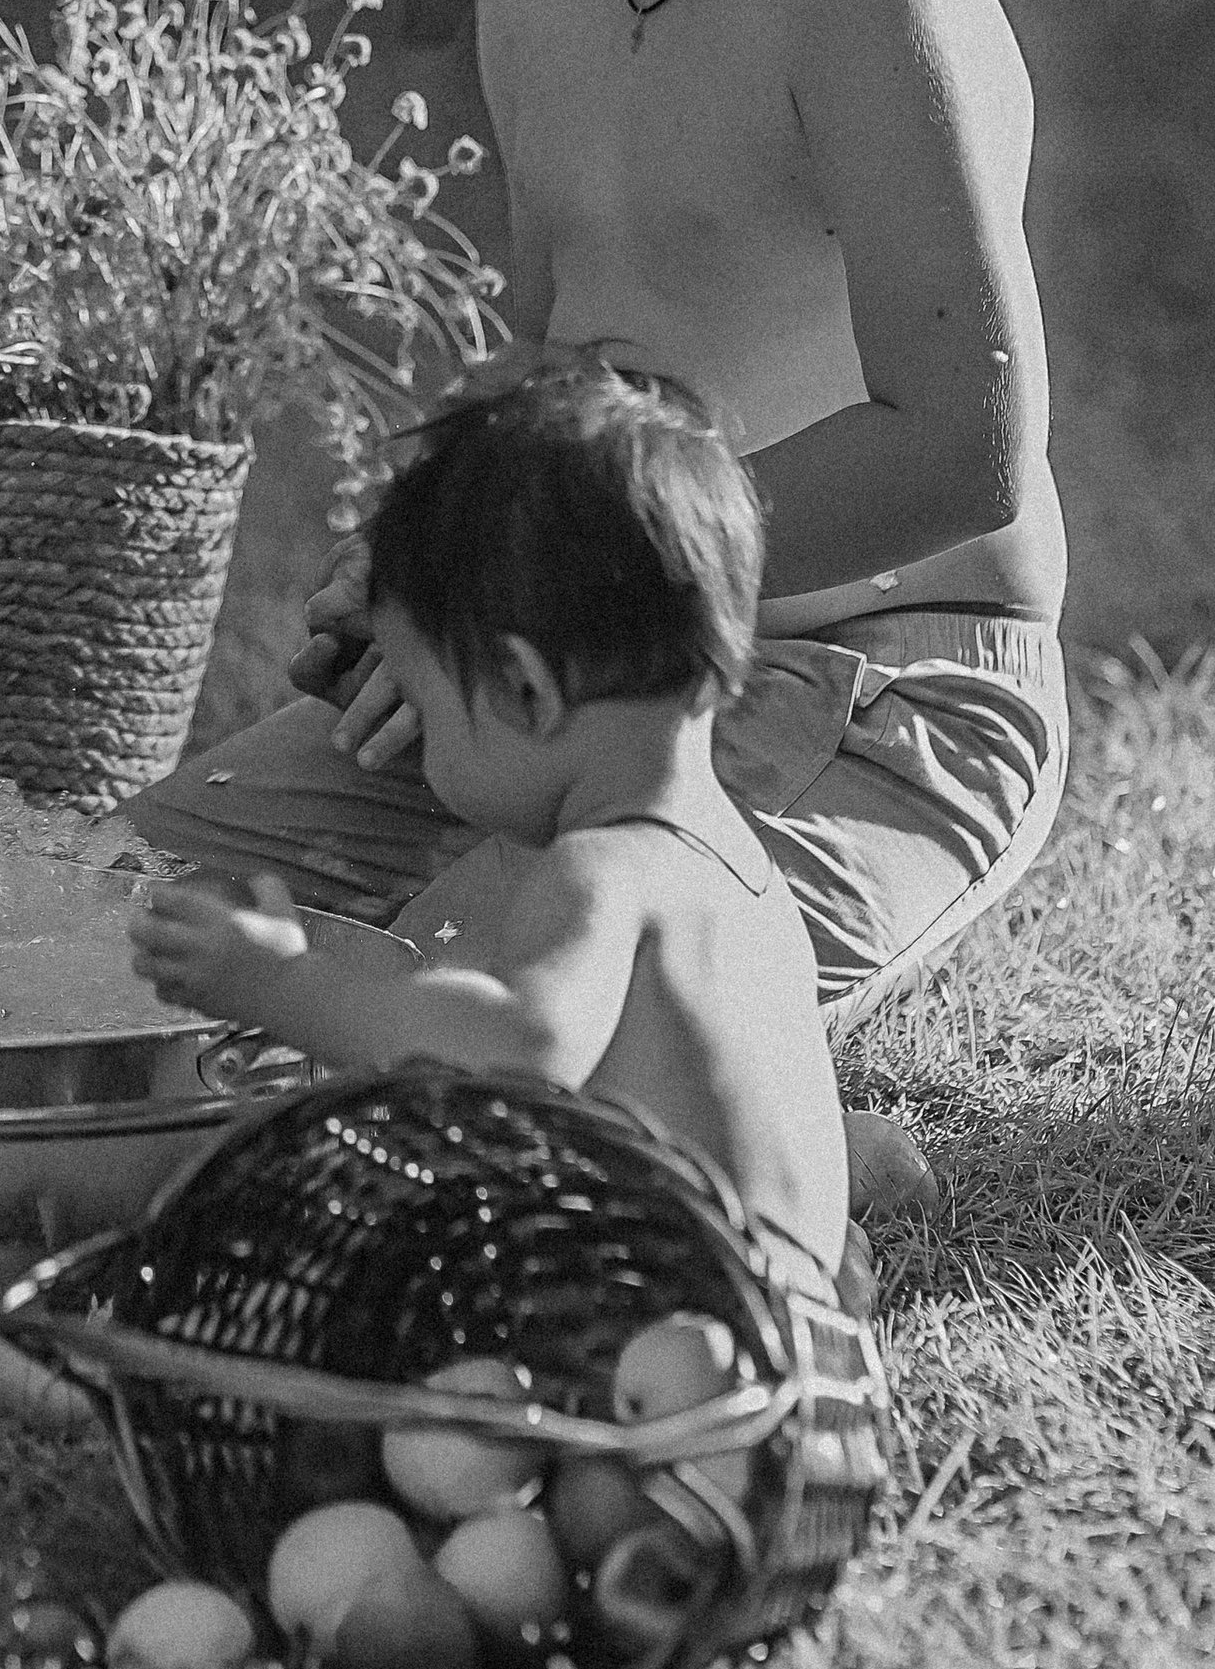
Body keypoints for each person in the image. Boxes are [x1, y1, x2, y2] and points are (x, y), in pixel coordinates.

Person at [128, 0, 1069, 1076]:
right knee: (127, 939)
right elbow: (557, 358)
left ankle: (761, 1133)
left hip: (875, 685)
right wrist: (432, 577)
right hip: (573, 663)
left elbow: (965, 444)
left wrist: (567, 598)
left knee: (415, 1044)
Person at [132, 363, 851, 1294]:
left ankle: (65, 1374)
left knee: (314, 1263)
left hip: (642, 1346)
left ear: (522, 690)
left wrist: (284, 985)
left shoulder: (602, 870)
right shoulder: (739, 873)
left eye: (425, 704)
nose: (421, 749)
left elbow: (520, 1050)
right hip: (784, 1343)